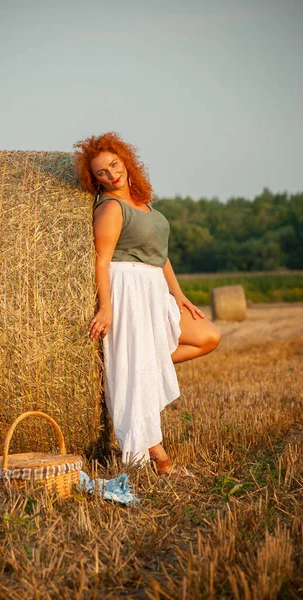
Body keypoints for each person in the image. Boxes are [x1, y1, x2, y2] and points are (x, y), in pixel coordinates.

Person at [74, 132, 220, 477]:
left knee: (207, 336)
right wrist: (107, 307)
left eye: (114, 165)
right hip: (129, 288)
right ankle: (160, 458)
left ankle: (136, 368)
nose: (111, 175)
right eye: (101, 173)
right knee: (136, 369)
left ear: (126, 161)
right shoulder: (110, 208)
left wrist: (178, 294)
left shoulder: (144, 204)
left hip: (155, 287)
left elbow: (161, 255)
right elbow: (101, 261)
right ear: (94, 180)